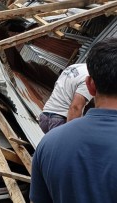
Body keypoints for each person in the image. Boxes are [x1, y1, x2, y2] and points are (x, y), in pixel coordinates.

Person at [30, 37, 117, 203]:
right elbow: (75, 107)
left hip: (46, 115)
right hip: (59, 117)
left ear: (91, 85)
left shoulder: (48, 143)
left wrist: (70, 139)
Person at [39, 63, 93, 133]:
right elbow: (75, 107)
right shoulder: (89, 78)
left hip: (45, 115)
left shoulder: (74, 67)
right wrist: (69, 134)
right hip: (59, 120)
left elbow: (57, 85)